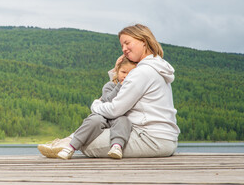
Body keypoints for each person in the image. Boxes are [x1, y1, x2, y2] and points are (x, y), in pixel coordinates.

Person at [39, 23, 180, 159]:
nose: (124, 48)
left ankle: (68, 142)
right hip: (165, 138)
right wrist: (115, 73)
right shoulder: (156, 67)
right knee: (92, 133)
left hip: (150, 139)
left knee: (86, 142)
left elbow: (115, 110)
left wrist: (95, 105)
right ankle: (68, 140)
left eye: (127, 43)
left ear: (143, 41)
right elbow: (123, 90)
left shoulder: (142, 72)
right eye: (122, 45)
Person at [37, 57, 136, 159]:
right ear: (117, 72)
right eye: (123, 72)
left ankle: (116, 146)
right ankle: (71, 147)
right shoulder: (109, 86)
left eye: (130, 74)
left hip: (118, 117)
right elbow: (108, 99)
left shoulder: (132, 88)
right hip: (104, 115)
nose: (126, 76)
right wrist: (120, 86)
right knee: (93, 120)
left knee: (124, 121)